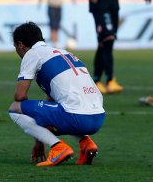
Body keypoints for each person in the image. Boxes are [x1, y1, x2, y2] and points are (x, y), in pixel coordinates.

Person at [8, 22, 105, 167]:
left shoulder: (31, 54)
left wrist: (40, 133)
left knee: (15, 108)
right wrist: (39, 139)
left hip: (76, 117)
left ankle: (58, 147)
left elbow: (20, 96)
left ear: (20, 45)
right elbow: (53, 101)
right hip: (98, 118)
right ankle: (86, 144)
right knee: (61, 108)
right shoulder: (63, 52)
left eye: (16, 47)